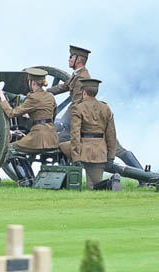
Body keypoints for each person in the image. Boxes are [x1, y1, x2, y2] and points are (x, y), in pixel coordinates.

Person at [49, 45, 148, 185]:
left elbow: (78, 102)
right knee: (117, 149)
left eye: (71, 57)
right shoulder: (77, 75)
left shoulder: (82, 77)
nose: (69, 59)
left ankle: (143, 177)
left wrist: (59, 120)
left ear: (78, 60)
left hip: (88, 121)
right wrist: (45, 92)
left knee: (117, 149)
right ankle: (142, 177)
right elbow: (63, 87)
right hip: (84, 118)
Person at [0, 68, 60, 187]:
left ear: (32, 83)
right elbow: (51, 117)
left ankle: (26, 180)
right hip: (52, 138)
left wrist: (1, 97)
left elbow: (11, 113)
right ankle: (30, 179)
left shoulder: (32, 98)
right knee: (19, 148)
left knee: (10, 149)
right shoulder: (50, 97)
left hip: (39, 139)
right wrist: (31, 116)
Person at [59, 78, 120, 190]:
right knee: (94, 186)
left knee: (62, 146)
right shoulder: (105, 107)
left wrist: (76, 157)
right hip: (100, 153)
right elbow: (111, 134)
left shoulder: (78, 108)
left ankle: (66, 180)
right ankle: (111, 182)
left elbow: (75, 134)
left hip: (83, 151)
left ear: (84, 92)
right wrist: (111, 157)